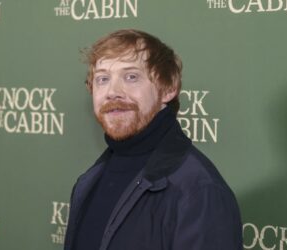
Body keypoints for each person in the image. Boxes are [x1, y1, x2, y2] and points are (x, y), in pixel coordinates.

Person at [64, 29, 243, 250]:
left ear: (168, 88)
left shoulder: (198, 191)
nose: (112, 92)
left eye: (131, 77)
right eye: (102, 79)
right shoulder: (87, 183)